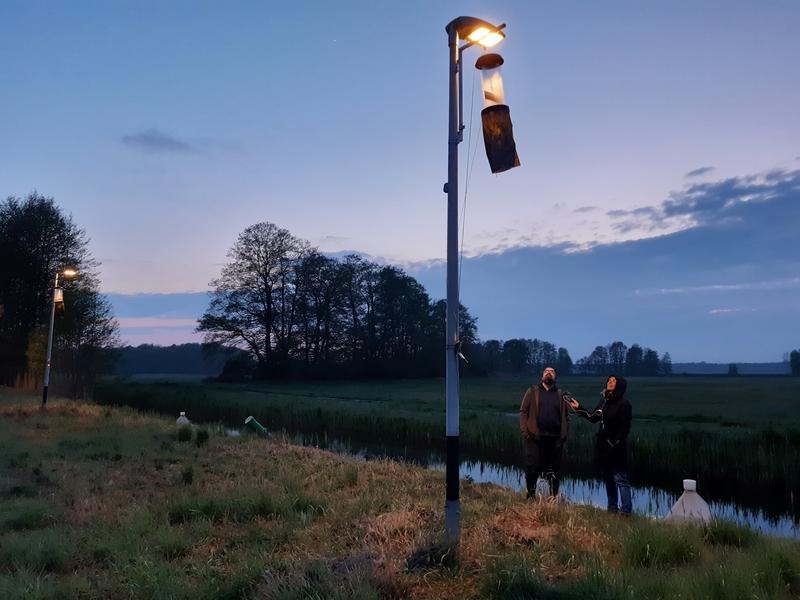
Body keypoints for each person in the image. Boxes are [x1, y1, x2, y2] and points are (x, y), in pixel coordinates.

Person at [565, 375, 633, 515]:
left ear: (619, 385)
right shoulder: (604, 401)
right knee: (609, 478)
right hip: (603, 447)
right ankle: (612, 510)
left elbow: (624, 429)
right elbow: (593, 417)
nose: (610, 382)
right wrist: (579, 408)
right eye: (609, 380)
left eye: (613, 381)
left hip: (616, 447)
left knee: (621, 479)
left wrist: (615, 443)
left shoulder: (624, 404)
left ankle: (626, 512)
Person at [519, 366, 571, 498]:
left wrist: (564, 435)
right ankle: (531, 495)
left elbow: (566, 416)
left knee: (554, 470)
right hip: (535, 438)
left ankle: (553, 498)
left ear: (555, 377)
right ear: (542, 376)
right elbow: (523, 412)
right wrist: (525, 432)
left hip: (555, 439)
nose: (549, 373)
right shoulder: (532, 391)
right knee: (533, 467)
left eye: (552, 372)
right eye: (546, 371)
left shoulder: (561, 394)